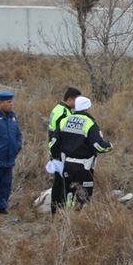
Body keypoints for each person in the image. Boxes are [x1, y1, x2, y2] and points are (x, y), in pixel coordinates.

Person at [50, 96, 112, 210]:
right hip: (84, 166)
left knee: (68, 194)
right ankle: (80, 219)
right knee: (84, 197)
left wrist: (55, 156)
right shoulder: (89, 123)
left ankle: (67, 218)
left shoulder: (64, 121)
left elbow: (53, 143)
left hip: (67, 164)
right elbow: (99, 146)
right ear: (87, 108)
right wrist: (109, 146)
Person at [48, 86, 81, 216]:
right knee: (63, 185)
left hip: (55, 152)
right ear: (70, 99)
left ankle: (56, 212)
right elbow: (61, 134)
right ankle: (59, 212)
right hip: (60, 153)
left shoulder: (57, 109)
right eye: (76, 101)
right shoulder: (64, 113)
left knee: (59, 184)